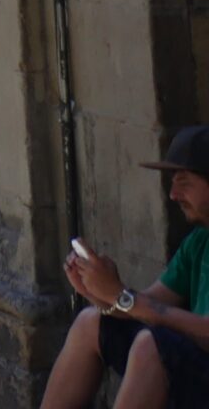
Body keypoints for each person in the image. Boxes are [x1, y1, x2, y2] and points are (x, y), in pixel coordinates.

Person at [40, 127, 209, 409]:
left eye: (184, 182)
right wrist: (98, 290)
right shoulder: (199, 241)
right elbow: (150, 306)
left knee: (150, 347)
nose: (173, 195)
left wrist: (122, 296)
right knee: (90, 322)